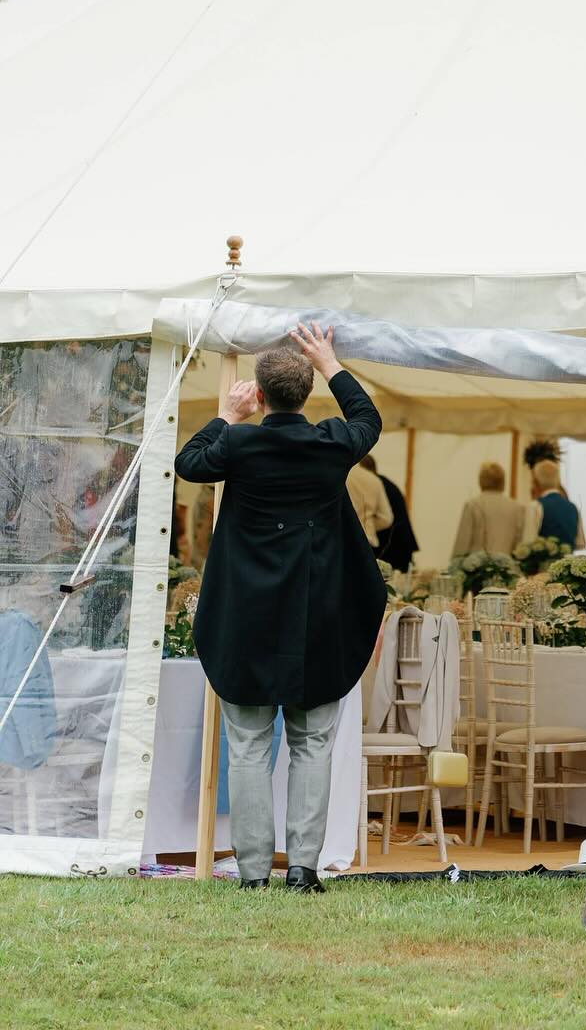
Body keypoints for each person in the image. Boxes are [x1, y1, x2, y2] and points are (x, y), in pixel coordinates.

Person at [174, 321, 386, 893]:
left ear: (258, 394)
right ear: (308, 395)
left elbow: (189, 463)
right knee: (312, 745)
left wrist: (228, 414)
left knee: (246, 747)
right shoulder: (330, 444)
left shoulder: (238, 446)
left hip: (246, 618)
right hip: (316, 618)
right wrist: (331, 363)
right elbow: (370, 421)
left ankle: (250, 875)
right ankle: (303, 869)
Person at [451, 462, 527, 560]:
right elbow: (519, 544)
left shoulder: (473, 505)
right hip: (507, 568)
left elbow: (462, 544)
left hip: (478, 570)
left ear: (480, 481)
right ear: (503, 482)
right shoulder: (517, 507)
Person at [365, 454, 419, 574]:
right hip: (400, 544)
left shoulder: (376, 485)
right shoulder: (383, 482)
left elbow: (385, 519)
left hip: (394, 548)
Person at [346, 452, 392, 551]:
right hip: (367, 541)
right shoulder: (375, 480)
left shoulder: (341, 473)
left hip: (341, 539)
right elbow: (386, 518)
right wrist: (368, 523)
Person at [531, 458, 580, 550]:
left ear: (536, 482)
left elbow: (528, 541)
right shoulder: (573, 507)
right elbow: (580, 543)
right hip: (568, 562)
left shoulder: (536, 506)